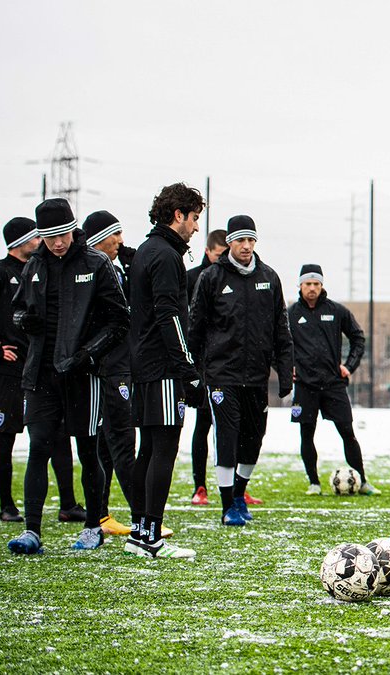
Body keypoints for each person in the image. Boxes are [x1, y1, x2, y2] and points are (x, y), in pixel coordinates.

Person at [6, 198, 129, 554]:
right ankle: (31, 531)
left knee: (88, 450)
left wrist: (87, 355)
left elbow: (119, 321)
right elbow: (16, 310)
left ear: (73, 229)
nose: (57, 242)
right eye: (49, 236)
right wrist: (23, 322)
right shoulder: (34, 266)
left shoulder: (97, 262)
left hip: (83, 375)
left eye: (62, 234)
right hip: (42, 375)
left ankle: (93, 525)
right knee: (38, 447)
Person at [190, 215, 293, 527]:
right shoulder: (211, 278)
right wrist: (195, 373)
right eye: (240, 240)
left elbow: (281, 329)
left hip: (256, 375)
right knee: (227, 435)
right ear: (230, 243)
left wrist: (285, 372)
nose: (246, 246)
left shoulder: (269, 278)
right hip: (222, 375)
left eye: (251, 240)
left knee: (254, 437)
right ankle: (225, 506)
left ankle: (238, 495)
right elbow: (195, 330)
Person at [0, 218, 82, 524]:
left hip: (41, 368)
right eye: (36, 238)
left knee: (57, 434)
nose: (42, 242)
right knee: (7, 437)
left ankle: (68, 503)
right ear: (20, 241)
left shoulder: (40, 268)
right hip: (7, 371)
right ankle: (7, 506)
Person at [125, 182, 205, 559]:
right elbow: (169, 315)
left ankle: (139, 530)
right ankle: (150, 535)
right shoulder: (166, 255)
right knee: (164, 448)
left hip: (142, 364)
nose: (195, 227)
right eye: (194, 219)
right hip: (161, 368)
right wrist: (186, 368)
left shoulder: (146, 249)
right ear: (179, 216)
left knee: (148, 449)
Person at [80, 210, 142, 538]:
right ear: (95, 240)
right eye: (113, 235)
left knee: (105, 443)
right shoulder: (87, 270)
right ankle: (144, 517)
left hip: (122, 364)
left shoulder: (120, 267)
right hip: (105, 367)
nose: (120, 240)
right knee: (120, 441)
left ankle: (102, 515)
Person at [287, 263, 370, 495]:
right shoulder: (290, 314)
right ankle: (314, 483)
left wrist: (349, 366)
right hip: (304, 385)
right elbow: (276, 345)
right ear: (300, 285)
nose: (312, 288)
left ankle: (362, 481)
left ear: (322, 285)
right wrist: (286, 369)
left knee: (347, 432)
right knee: (306, 433)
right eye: (307, 284)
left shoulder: (337, 311)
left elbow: (358, 338)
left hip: (333, 383)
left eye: (316, 284)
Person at [186, 228, 227, 507]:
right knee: (203, 425)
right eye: (219, 255)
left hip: (228, 364)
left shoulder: (235, 281)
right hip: (202, 366)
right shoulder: (191, 279)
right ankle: (199, 486)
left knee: (231, 428)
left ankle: (236, 486)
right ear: (208, 252)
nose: (223, 259)